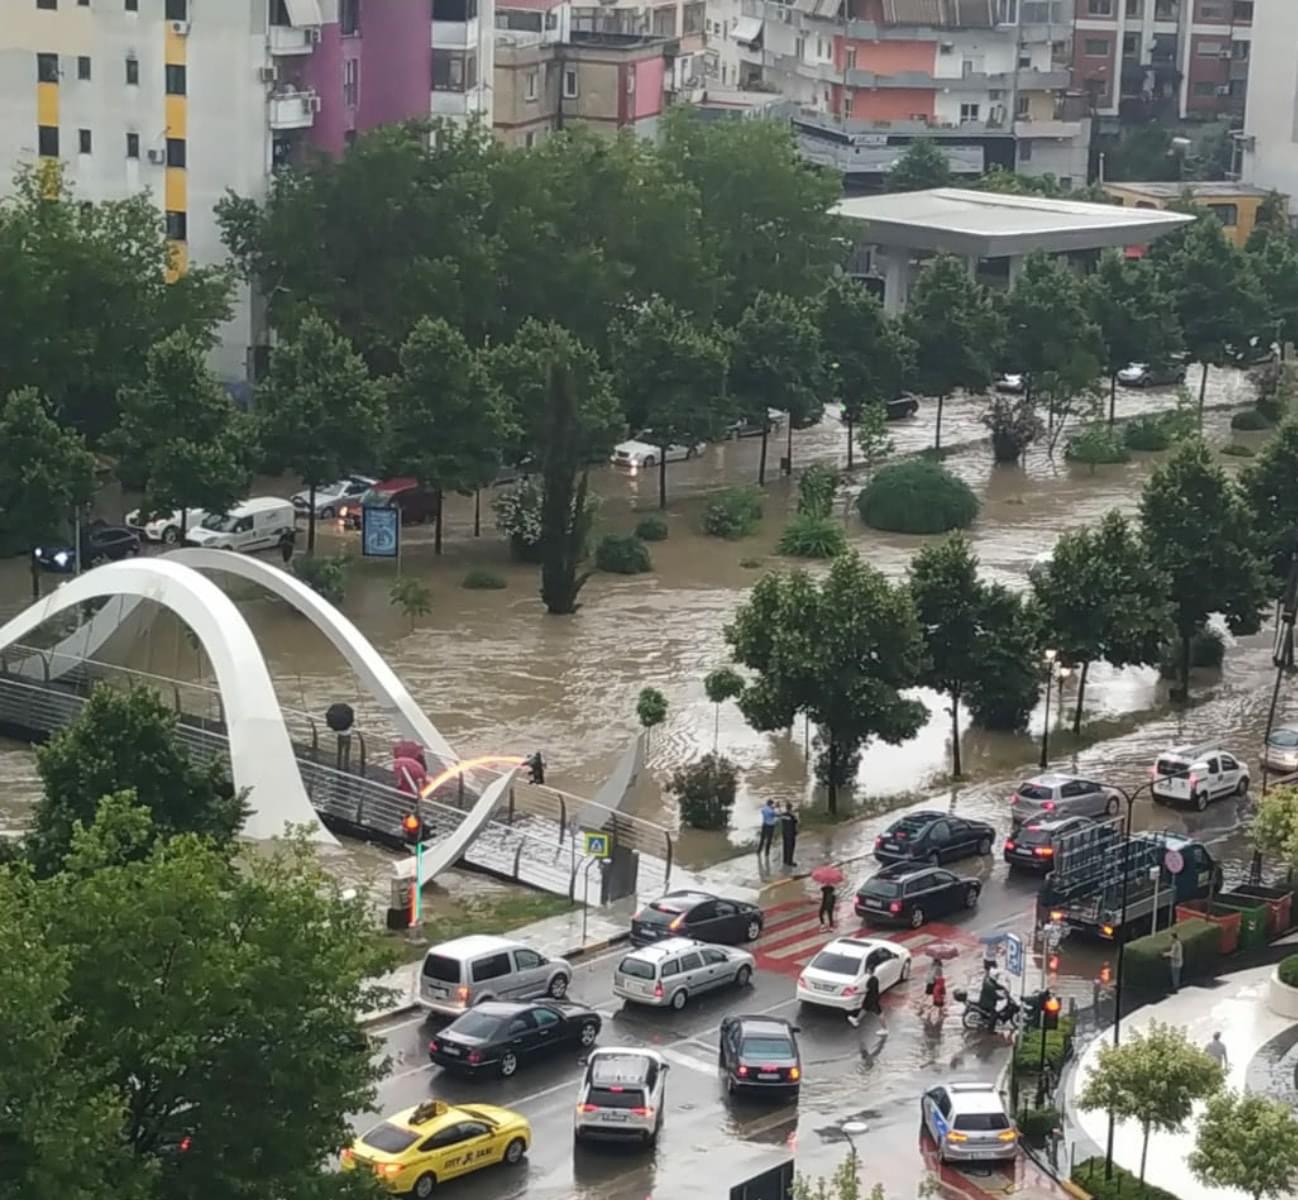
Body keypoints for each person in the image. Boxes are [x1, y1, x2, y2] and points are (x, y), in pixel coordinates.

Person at [779, 802, 799, 869]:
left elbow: (781, 820)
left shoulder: (783, 815)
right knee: (791, 848)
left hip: (784, 833)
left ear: (786, 807)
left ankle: (785, 860)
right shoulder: (792, 816)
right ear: (791, 808)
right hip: (791, 834)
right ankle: (790, 862)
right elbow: (797, 822)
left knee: (785, 847)